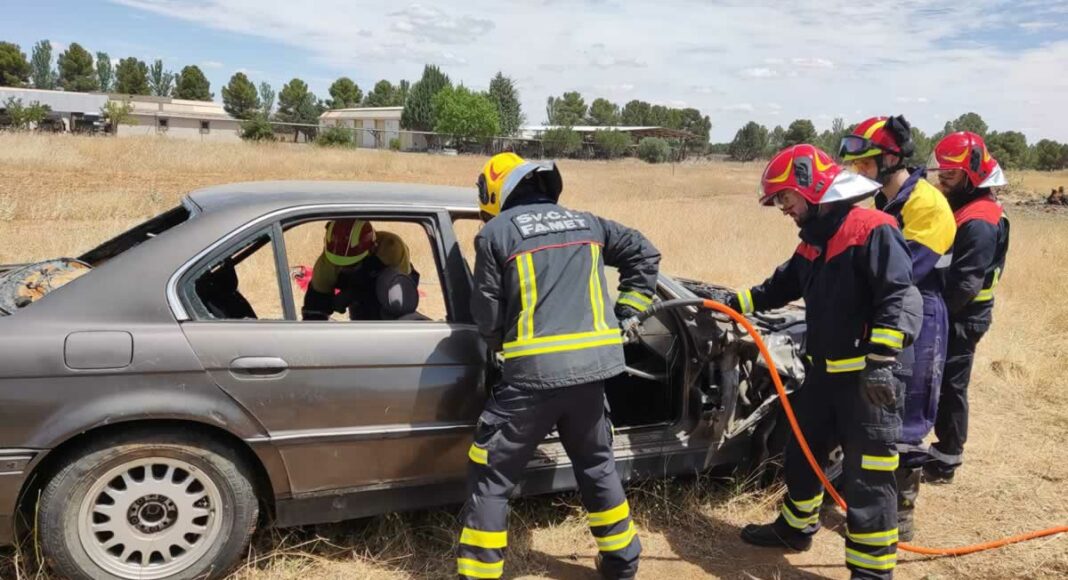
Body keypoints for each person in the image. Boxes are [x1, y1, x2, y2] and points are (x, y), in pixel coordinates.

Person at [459, 152, 660, 580]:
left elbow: (487, 319)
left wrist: (500, 348)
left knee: (491, 477)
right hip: (591, 377)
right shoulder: (588, 223)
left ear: (494, 191)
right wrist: (628, 312)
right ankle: (623, 563)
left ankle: (477, 575)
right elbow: (645, 254)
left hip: (530, 380)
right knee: (596, 466)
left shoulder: (496, 235)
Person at [732, 144, 921, 579]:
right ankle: (795, 529)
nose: (783, 208)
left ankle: (871, 573)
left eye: (785, 198)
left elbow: (900, 298)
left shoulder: (872, 228)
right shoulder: (816, 241)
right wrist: (731, 302)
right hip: (825, 377)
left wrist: (881, 361)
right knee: (802, 450)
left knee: (869, 478)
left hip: (870, 381)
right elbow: (780, 286)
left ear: (809, 186)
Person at [839, 116, 956, 540]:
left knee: (906, 412)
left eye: (865, 163)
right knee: (874, 408)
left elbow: (902, 271)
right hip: (890, 307)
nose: (857, 172)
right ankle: (869, 498)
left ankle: (901, 512)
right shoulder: (888, 201)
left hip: (920, 314)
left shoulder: (927, 204)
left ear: (890, 158)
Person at [923, 132, 1011, 483]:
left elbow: (965, 284)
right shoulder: (965, 207)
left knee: (950, 386)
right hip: (955, 314)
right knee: (943, 382)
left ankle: (946, 459)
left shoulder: (980, 220)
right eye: (940, 172)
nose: (942, 179)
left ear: (972, 173)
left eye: (950, 174)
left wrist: (934, 319)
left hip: (962, 317)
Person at [301, 219, 420, 321]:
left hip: (386, 286)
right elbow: (314, 310)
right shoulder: (325, 266)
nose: (344, 268)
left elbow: (401, 296)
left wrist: (354, 294)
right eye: (339, 264)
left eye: (352, 264)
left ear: (372, 249)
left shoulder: (392, 249)